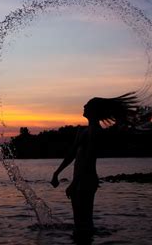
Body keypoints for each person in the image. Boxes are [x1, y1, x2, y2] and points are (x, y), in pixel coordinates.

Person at [51, 93, 138, 234]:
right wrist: (56, 173)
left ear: (94, 111)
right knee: (78, 223)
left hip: (87, 180)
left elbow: (88, 160)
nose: (84, 106)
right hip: (79, 179)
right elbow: (71, 155)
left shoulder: (96, 132)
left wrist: (74, 184)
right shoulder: (82, 131)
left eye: (88, 105)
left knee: (84, 222)